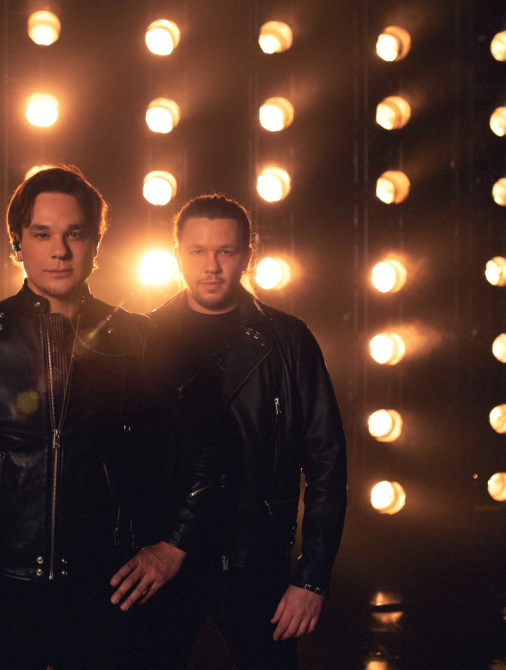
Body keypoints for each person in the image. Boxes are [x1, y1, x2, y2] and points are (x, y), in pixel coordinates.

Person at [0, 166, 197, 669]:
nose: (59, 250)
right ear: (17, 244)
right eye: (42, 234)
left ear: (96, 244)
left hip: (106, 591)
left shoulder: (138, 338)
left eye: (75, 234)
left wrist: (173, 546)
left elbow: (208, 442)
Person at [146, 195, 347, 669]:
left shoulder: (288, 340)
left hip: (256, 562)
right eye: (197, 251)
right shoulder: (143, 337)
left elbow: (327, 463)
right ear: (177, 254)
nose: (211, 266)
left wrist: (312, 579)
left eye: (226, 251)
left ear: (247, 255)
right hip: (164, 559)